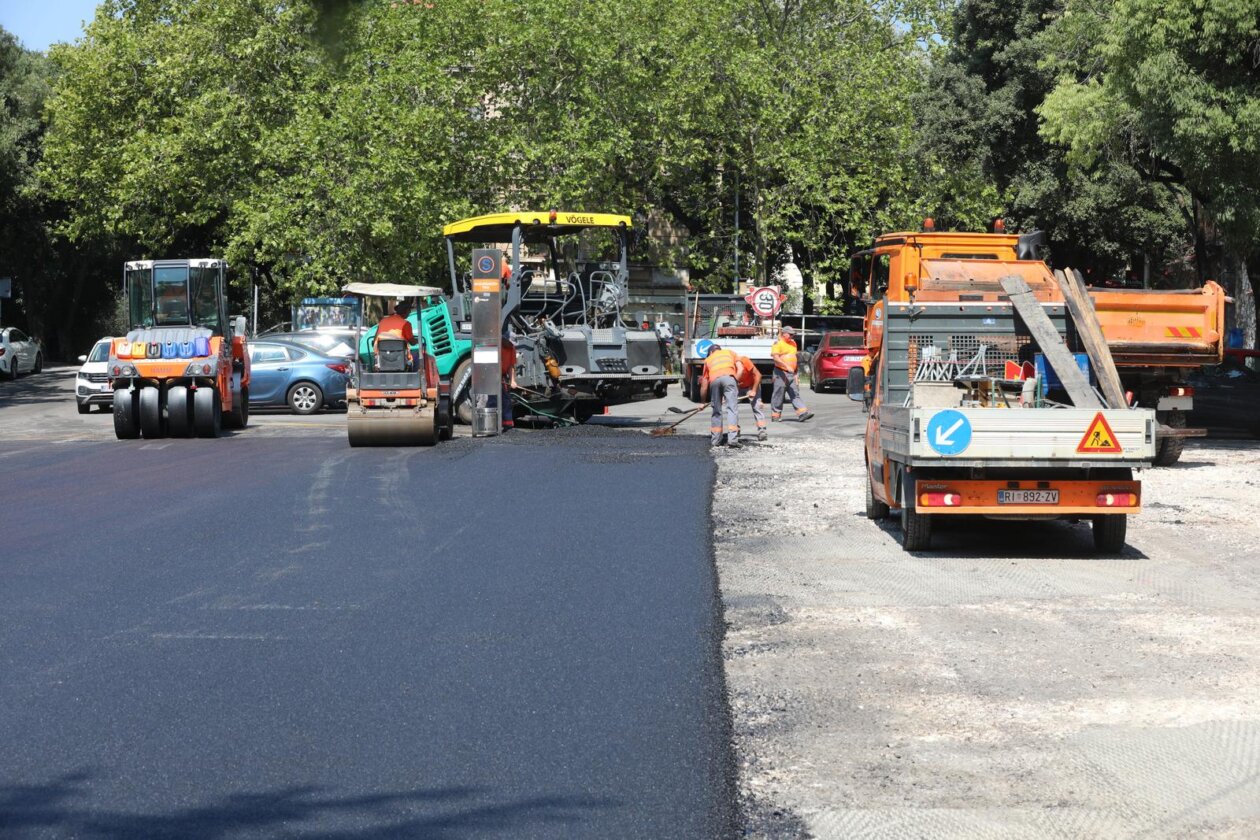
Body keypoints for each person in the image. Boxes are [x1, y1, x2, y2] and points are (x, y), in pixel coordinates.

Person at [697, 339, 741, 448]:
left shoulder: (708, 359)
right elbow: (741, 368)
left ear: (711, 352)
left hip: (714, 381)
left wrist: (702, 402)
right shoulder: (730, 352)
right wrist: (735, 381)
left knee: (716, 410)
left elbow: (704, 384)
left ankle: (716, 440)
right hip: (729, 378)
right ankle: (732, 439)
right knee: (732, 409)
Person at [770, 325, 814, 422]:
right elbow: (776, 358)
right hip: (780, 373)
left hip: (792, 373)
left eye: (793, 335)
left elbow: (794, 358)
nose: (792, 336)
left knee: (795, 393)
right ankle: (775, 415)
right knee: (778, 394)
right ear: (784, 334)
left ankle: (802, 413)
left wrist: (796, 373)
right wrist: (786, 366)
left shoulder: (793, 343)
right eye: (790, 334)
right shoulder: (778, 343)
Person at [376, 299, 417, 370]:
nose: (410, 312)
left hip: (381, 357)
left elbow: (375, 340)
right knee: (417, 355)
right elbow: (412, 342)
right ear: (406, 311)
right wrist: (418, 340)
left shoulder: (382, 321)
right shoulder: (406, 324)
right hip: (400, 358)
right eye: (409, 310)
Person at [734, 353, 767, 441]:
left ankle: (762, 431)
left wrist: (754, 390)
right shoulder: (728, 366)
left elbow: (758, 375)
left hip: (751, 385)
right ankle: (735, 430)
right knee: (732, 408)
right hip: (737, 387)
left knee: (757, 406)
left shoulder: (744, 360)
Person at [501, 332, 517, 430]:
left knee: (506, 399)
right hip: (492, 374)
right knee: (493, 399)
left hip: (502, 375)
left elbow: (511, 366)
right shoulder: (497, 347)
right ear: (504, 340)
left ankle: (507, 423)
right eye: (510, 343)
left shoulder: (512, 348)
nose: (511, 345)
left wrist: (512, 381)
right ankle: (492, 424)